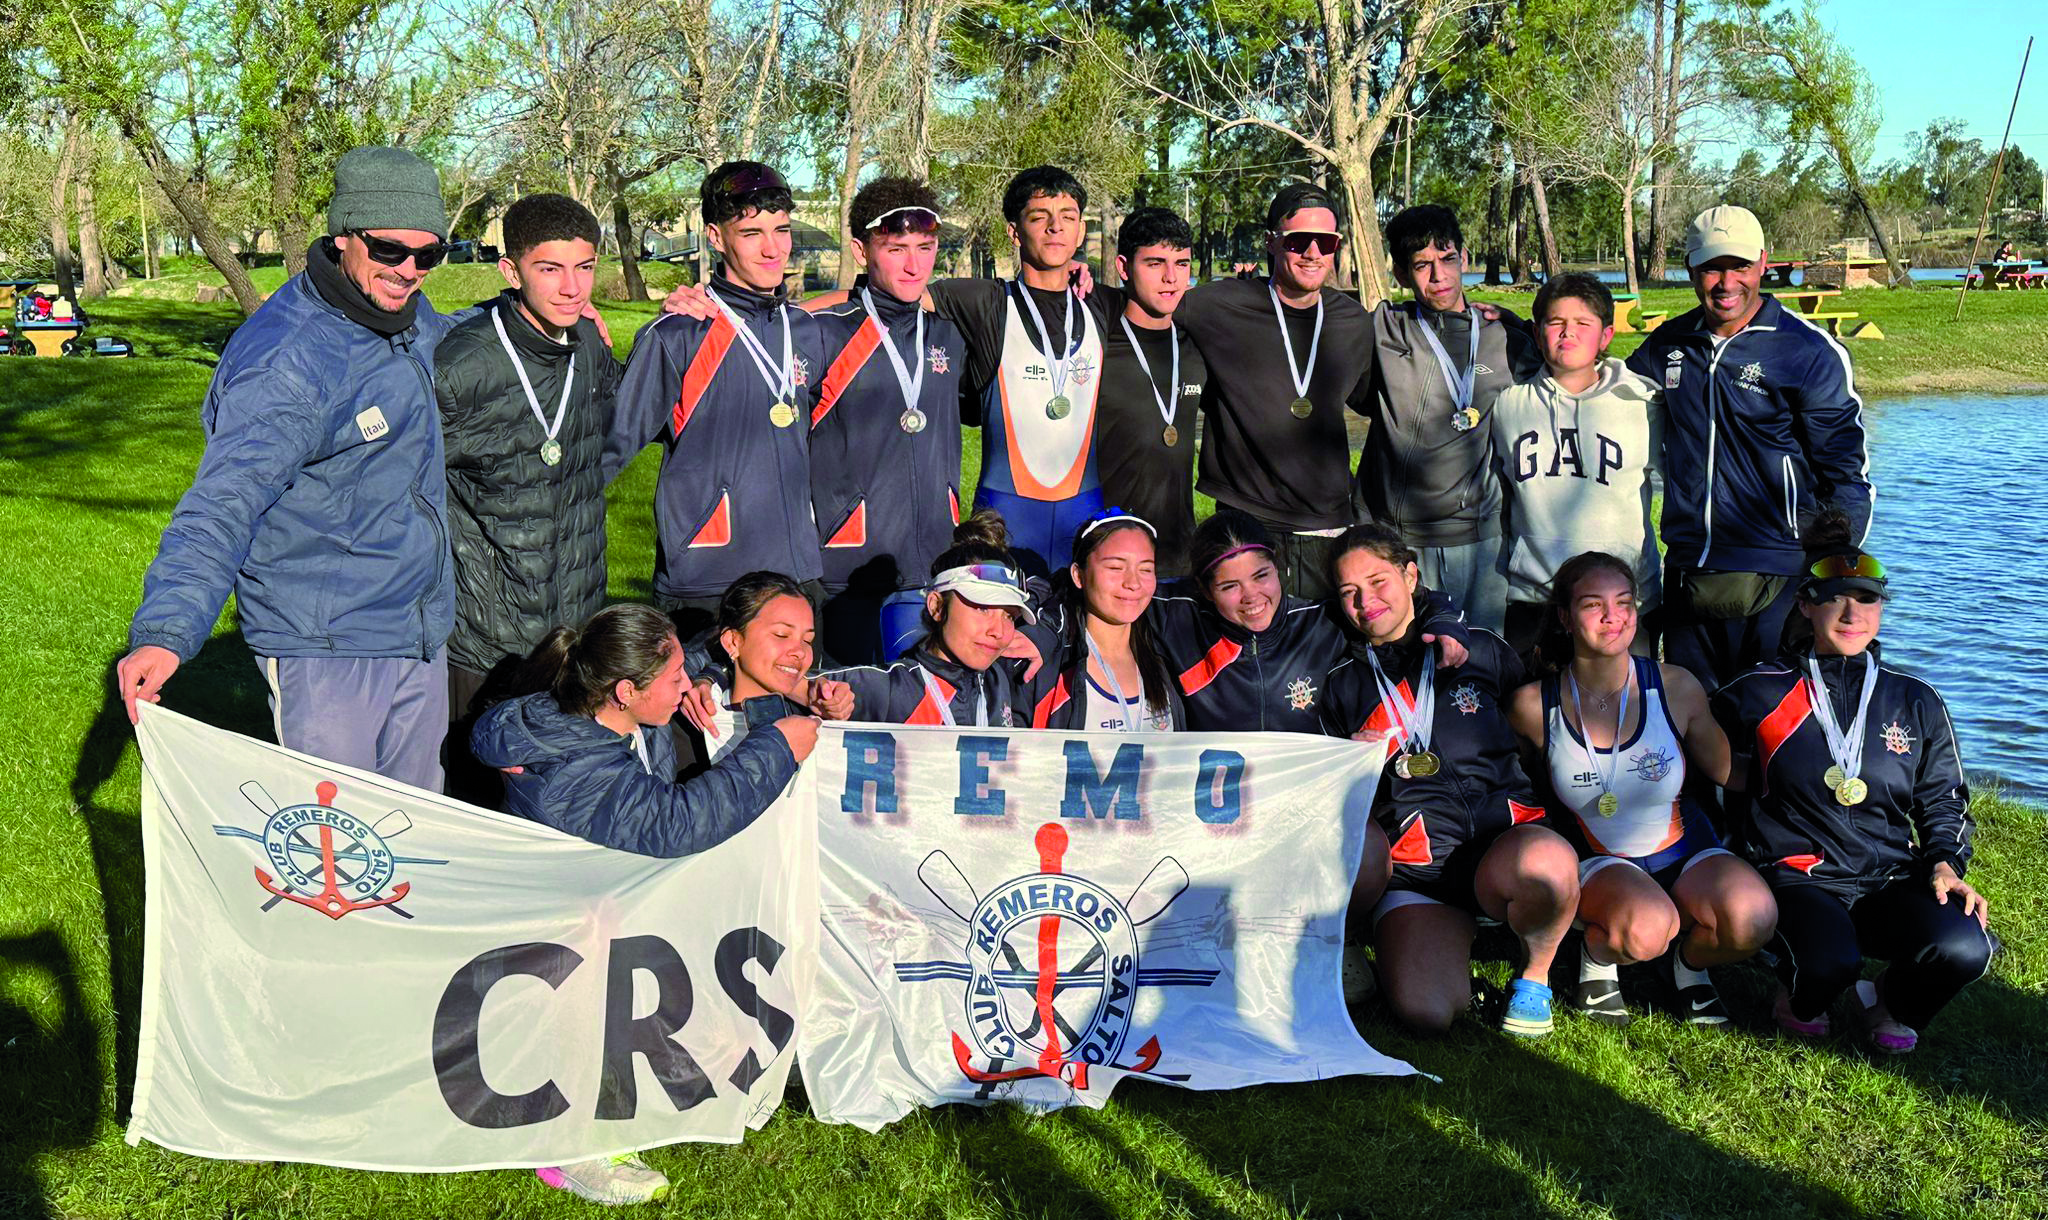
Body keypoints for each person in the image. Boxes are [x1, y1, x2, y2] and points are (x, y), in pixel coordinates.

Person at [116, 146, 463, 791]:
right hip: (325, 647)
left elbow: (455, 333)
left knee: (413, 845)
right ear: (342, 235)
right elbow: (223, 503)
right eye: (390, 250)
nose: (410, 271)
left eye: (428, 255)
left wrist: (542, 312)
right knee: (335, 857)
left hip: (416, 633)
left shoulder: (405, 320)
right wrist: (166, 632)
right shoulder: (289, 364)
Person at [470, 602, 817, 1205]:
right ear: (626, 691)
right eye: (677, 678)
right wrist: (778, 749)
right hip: (563, 945)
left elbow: (696, 666)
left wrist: (701, 682)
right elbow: (678, 823)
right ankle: (572, 1150)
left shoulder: (580, 715)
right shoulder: (581, 773)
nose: (689, 684)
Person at [1711, 514, 1989, 1053]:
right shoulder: (1757, 692)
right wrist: (1723, 861)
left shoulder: (1915, 699)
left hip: (1888, 874)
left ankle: (1889, 998)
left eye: (1866, 599)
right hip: (1798, 877)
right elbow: (1702, 777)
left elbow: (1943, 798)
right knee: (1827, 968)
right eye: (1835, 598)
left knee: (1965, 946)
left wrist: (1943, 863)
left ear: (1882, 608)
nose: (1851, 613)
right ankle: (1802, 990)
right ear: (1805, 603)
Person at [1317, 524, 1579, 1037]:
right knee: (1427, 1011)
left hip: (1500, 841)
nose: (1365, 601)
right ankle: (1430, 938)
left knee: (1547, 865)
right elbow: (1333, 793)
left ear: (1411, 575)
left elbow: (1530, 725)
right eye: (1349, 592)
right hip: (1421, 869)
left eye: (1378, 581)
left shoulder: (1476, 647)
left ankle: (1535, 975)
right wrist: (1352, 758)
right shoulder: (1342, 680)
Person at [1506, 552, 1777, 1027]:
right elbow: (1517, 786)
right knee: (1649, 929)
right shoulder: (1532, 706)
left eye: (1624, 602)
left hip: (1684, 850)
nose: (1613, 616)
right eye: (1593, 605)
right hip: (1597, 860)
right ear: (1566, 618)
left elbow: (1728, 771)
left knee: (1752, 918)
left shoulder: (1676, 686)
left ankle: (1690, 966)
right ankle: (1597, 951)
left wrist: (1804, 771)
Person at [1626, 204, 1874, 692]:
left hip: (1779, 576)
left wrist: (1832, 579)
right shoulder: (1669, 344)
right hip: (1688, 571)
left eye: (1739, 266)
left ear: (1764, 261)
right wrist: (1514, 334)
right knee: (1693, 729)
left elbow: (1847, 475)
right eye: (1711, 267)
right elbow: (1598, 388)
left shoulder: (1808, 351)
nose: (1726, 282)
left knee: (1771, 731)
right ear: (1690, 268)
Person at [433, 192, 624, 805]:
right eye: (550, 269)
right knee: (482, 806)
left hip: (573, 637)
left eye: (585, 267)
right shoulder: (461, 366)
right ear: (511, 271)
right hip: (485, 644)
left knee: (563, 806)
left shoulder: (590, 347)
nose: (572, 288)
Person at [604, 161, 826, 640]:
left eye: (782, 229)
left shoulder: (805, 330)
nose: (773, 248)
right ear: (715, 237)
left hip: (797, 576)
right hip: (707, 582)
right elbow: (608, 451)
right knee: (701, 715)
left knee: (796, 714)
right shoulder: (679, 334)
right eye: (751, 233)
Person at [1169, 183, 1373, 598]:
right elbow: (1146, 304)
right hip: (1245, 520)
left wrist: (1500, 322)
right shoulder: (1217, 305)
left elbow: (1373, 400)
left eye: (1326, 242)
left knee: (1320, 651)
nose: (1313, 253)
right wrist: (1081, 282)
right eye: (1299, 241)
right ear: (1271, 243)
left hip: (1327, 523)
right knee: (1245, 650)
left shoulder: (1353, 321)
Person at [1359, 205, 1542, 633]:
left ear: (1464, 257)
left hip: (1480, 541)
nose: (1438, 276)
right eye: (1422, 265)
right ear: (1403, 275)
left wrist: (1520, 322)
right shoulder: (1384, 330)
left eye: (1448, 259)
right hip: (1400, 542)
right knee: (1407, 670)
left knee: (1478, 666)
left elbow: (1569, 370)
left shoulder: (1505, 338)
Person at [806, 177, 967, 663]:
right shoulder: (823, 334)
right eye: (897, 248)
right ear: (860, 250)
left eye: (926, 247)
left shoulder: (949, 335)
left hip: (938, 568)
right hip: (848, 570)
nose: (915, 264)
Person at [929, 166, 1112, 573]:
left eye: (1067, 217)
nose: (1055, 228)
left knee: (1076, 631)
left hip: (1083, 510)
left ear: (1081, 231)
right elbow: (888, 296)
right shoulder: (986, 301)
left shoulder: (1101, 304)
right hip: (1005, 512)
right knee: (1000, 633)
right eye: (1039, 217)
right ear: (1014, 232)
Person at [1150, 508, 1469, 735]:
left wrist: (1444, 622)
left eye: (1261, 575)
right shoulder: (1178, 617)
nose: (1251, 596)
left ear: (1278, 566)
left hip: (1308, 801)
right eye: (1229, 587)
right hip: (1223, 813)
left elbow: (1410, 598)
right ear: (1204, 590)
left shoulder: (1321, 620)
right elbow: (1125, 590)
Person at [1491, 273, 1663, 664]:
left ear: (1606, 336)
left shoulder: (1644, 403)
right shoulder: (1508, 406)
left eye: (1583, 324)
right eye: (1556, 323)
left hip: (1623, 601)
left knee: (1628, 716)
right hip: (1535, 597)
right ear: (1537, 335)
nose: (1568, 334)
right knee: (1530, 716)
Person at [821, 513, 1037, 725]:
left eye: (1009, 615)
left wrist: (1042, 638)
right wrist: (819, 697)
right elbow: (798, 684)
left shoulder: (999, 679)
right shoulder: (895, 688)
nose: (998, 630)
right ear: (936, 606)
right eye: (982, 609)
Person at [1095, 208, 1207, 576]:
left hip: (1179, 555)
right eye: (1155, 263)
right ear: (1124, 268)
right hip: (1108, 553)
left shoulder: (1195, 346)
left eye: (1182, 263)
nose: (1172, 278)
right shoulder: (1098, 343)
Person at [1027, 510, 1183, 731]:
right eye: (1115, 568)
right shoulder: (1045, 666)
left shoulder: (1168, 657)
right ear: (1078, 576)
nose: (1133, 583)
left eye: (1146, 569)